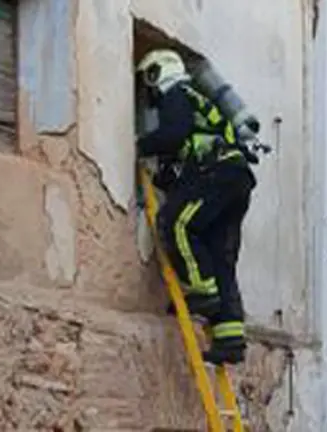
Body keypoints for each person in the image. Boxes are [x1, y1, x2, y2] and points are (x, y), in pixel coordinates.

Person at [134, 49, 256, 365]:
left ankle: (202, 293)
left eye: (148, 80)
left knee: (175, 222)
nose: (148, 93)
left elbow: (172, 136)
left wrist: (140, 144)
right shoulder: (197, 104)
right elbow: (183, 155)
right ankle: (230, 339)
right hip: (234, 177)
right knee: (221, 257)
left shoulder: (178, 94)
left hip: (219, 172)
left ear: (157, 73)